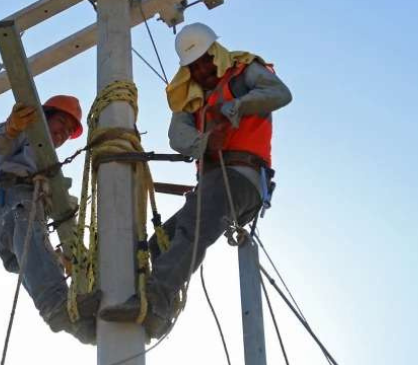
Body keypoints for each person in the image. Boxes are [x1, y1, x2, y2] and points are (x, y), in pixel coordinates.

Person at [100, 23, 292, 338]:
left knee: (191, 230)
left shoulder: (245, 73)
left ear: (216, 55)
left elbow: (280, 93)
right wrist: (204, 142)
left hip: (241, 178)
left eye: (205, 60)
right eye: (194, 65)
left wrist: (235, 107)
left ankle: (155, 301)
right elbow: (178, 136)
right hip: (215, 182)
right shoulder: (190, 97)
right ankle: (159, 312)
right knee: (159, 244)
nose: (202, 70)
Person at [0, 95, 99, 344]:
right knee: (30, 232)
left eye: (69, 131)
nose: (63, 134)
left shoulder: (49, 169)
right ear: (46, 116)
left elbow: (63, 208)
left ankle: (80, 325)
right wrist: (12, 126)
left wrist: (72, 253)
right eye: (61, 124)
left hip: (21, 227)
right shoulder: (25, 133)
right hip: (10, 205)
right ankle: (56, 306)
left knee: (41, 255)